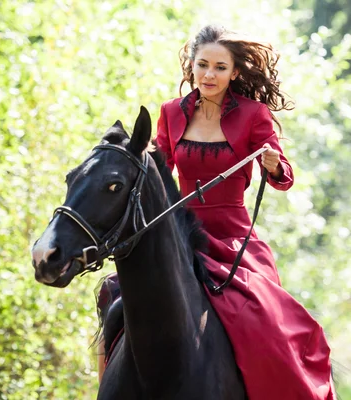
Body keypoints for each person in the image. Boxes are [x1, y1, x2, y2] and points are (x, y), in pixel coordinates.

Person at [97, 25, 336, 399]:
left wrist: (273, 163)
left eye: (220, 67)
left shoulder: (255, 115)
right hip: (178, 234)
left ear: (234, 72)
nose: (210, 75)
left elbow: (284, 178)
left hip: (234, 239)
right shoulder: (171, 112)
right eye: (203, 65)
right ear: (191, 66)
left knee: (266, 320)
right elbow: (158, 173)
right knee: (113, 298)